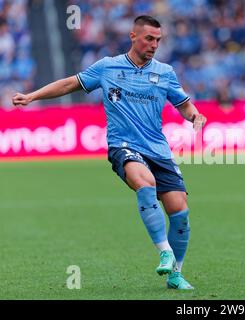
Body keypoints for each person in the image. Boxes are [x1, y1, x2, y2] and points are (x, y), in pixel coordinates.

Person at [12, 15, 206, 290]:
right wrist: (32, 96)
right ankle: (164, 251)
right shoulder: (108, 67)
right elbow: (69, 84)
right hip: (123, 145)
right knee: (145, 183)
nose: (154, 45)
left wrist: (195, 115)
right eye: (149, 38)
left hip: (158, 149)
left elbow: (183, 104)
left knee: (180, 211)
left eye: (158, 40)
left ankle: (176, 273)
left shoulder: (165, 72)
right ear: (133, 36)